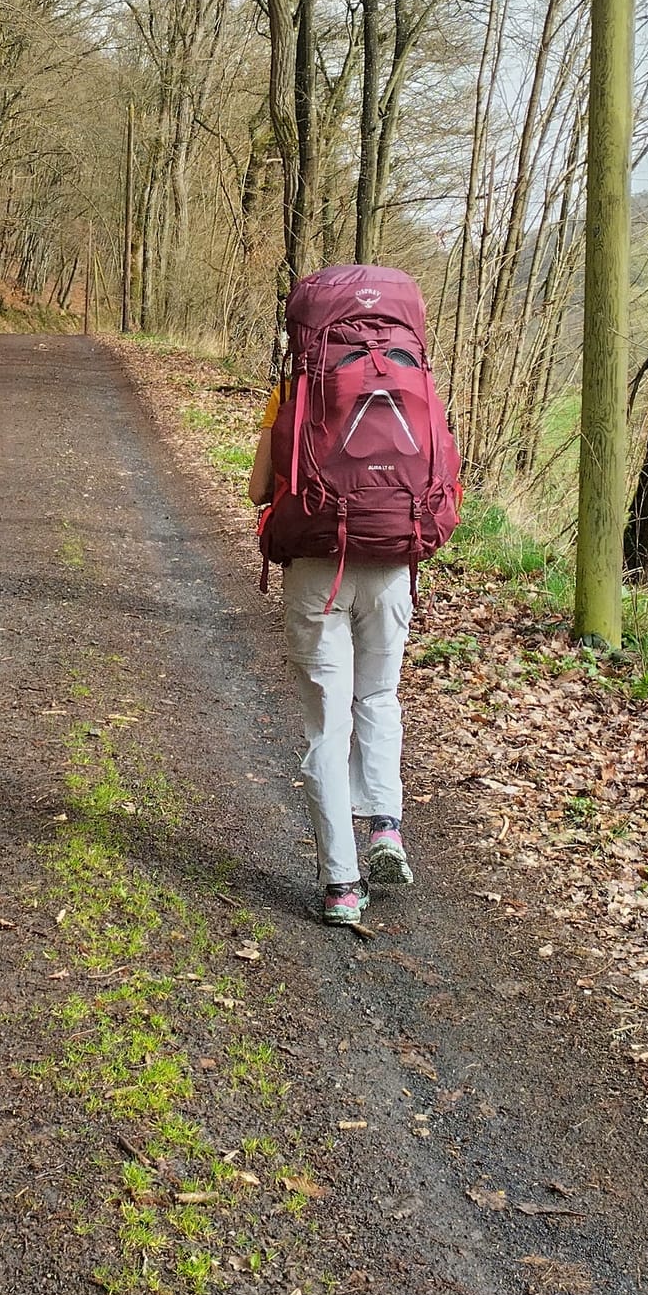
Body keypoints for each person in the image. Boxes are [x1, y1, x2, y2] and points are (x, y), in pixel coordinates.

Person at [248, 375, 417, 924]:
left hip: (318, 570)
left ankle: (341, 886)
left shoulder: (297, 385)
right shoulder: (404, 380)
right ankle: (386, 826)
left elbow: (258, 489)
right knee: (379, 698)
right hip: (391, 565)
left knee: (327, 724)